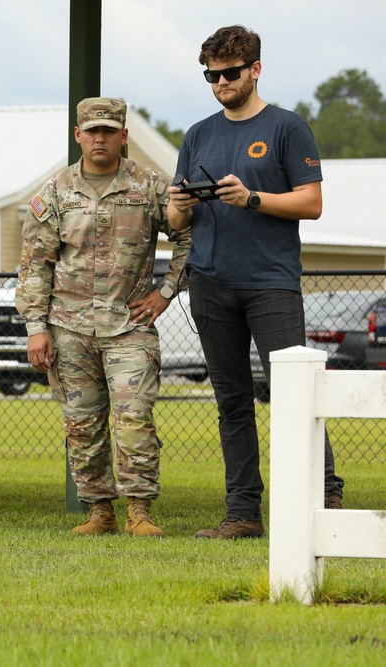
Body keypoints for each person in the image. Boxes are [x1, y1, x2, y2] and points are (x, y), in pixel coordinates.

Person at [167, 25, 345, 540]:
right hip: (209, 284)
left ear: (255, 70)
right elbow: (178, 224)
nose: (220, 82)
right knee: (231, 402)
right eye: (211, 74)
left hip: (271, 284)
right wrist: (178, 207)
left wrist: (251, 198)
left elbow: (311, 204)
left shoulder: (289, 128)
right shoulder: (199, 133)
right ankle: (242, 514)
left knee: (296, 396)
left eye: (230, 73)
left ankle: (325, 494)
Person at [16, 98, 191, 537]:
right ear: (78, 135)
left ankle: (140, 511)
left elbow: (191, 237)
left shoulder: (150, 186)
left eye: (109, 131)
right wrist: (36, 329)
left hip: (129, 327)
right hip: (69, 328)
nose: (100, 138)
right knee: (82, 424)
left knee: (134, 419)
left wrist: (165, 292)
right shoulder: (54, 193)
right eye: (92, 131)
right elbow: (35, 264)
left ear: (124, 136)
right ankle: (99, 511)